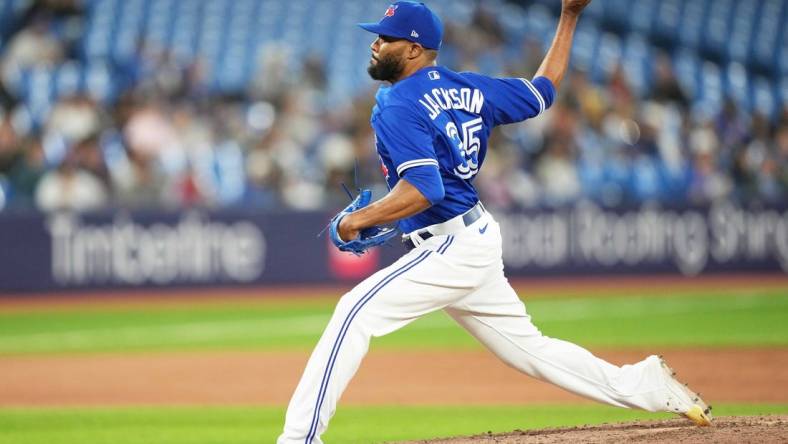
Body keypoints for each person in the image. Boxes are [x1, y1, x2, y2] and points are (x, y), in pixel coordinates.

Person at [278, 2, 712, 442]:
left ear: (413, 49)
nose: (375, 43)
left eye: (385, 37)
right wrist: (569, 17)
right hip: (474, 238)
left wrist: (356, 220)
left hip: (450, 247)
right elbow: (544, 90)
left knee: (353, 312)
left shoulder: (396, 102)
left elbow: (425, 189)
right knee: (532, 351)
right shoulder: (467, 86)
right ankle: (646, 385)